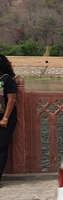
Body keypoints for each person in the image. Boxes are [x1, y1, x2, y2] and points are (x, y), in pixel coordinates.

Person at [0, 54, 19, 187]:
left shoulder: (7, 80)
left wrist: (5, 118)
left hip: (5, 118)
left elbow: (11, 100)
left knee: (1, 147)